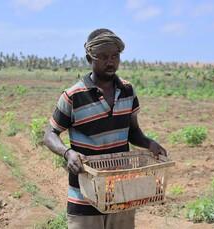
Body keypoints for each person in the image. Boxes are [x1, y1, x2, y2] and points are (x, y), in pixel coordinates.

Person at [43, 28, 167, 229]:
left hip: (121, 191)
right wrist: (68, 153)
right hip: (85, 195)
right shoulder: (73, 96)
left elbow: (132, 132)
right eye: (103, 57)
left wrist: (149, 143)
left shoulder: (128, 91)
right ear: (88, 58)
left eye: (115, 56)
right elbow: (50, 134)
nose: (110, 62)